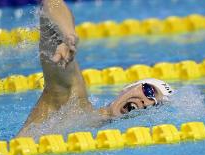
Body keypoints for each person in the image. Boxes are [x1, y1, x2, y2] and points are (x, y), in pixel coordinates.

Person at [17, 0, 173, 137]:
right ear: (127, 88)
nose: (148, 102)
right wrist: (69, 36)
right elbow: (51, 3)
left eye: (155, 105)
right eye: (150, 91)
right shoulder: (72, 103)